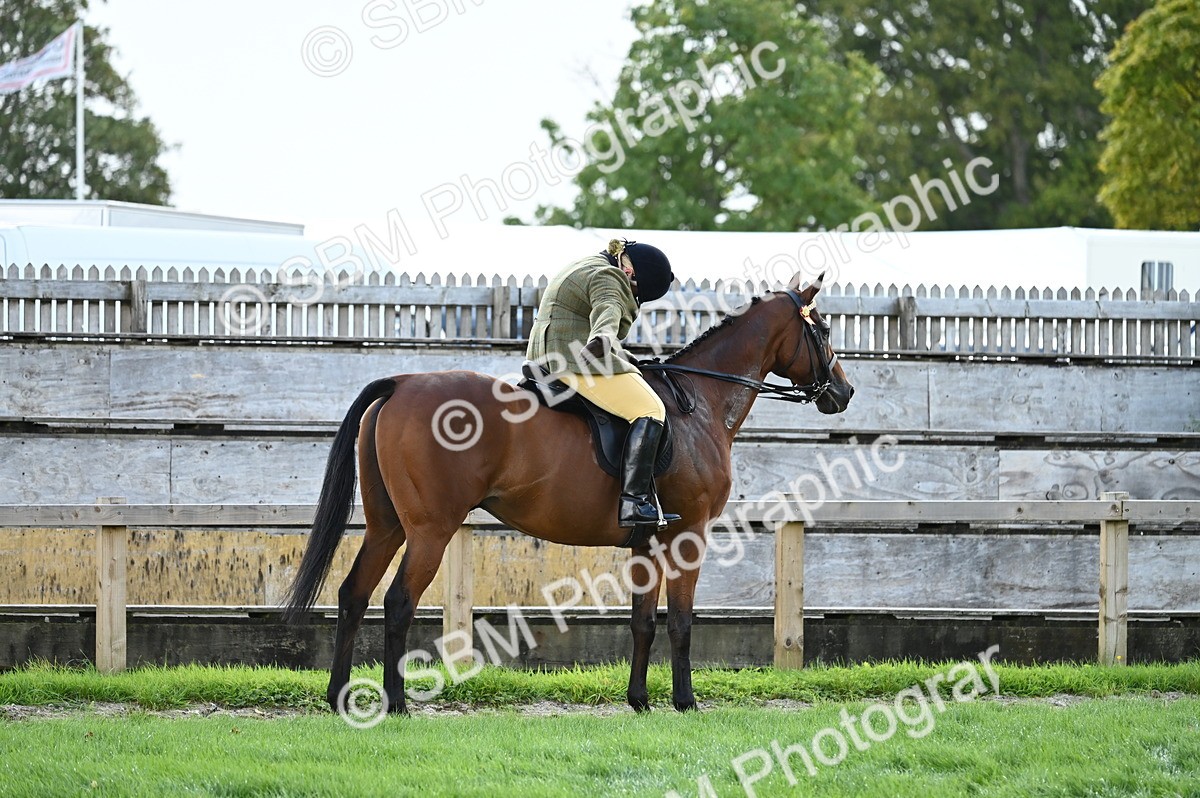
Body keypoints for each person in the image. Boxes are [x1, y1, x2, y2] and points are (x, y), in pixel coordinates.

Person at [527, 239, 681, 529]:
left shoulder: (587, 263)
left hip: (545, 357)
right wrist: (604, 339)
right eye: (637, 294)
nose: (633, 296)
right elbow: (607, 310)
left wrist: (622, 355)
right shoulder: (610, 276)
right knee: (650, 410)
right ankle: (634, 503)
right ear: (632, 277)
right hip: (573, 363)